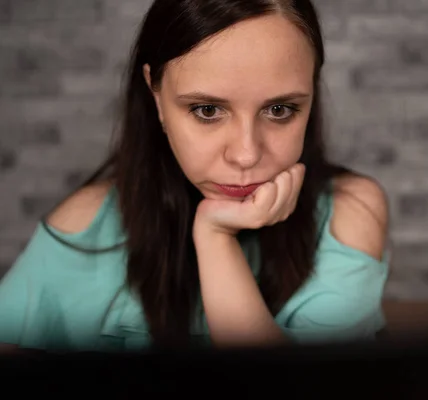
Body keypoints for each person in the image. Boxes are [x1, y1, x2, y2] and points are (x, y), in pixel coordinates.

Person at [0, 0, 390, 352]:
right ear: (156, 97)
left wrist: (216, 237)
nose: (245, 154)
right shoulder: (84, 226)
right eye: (207, 111)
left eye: (280, 110)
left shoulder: (350, 213)